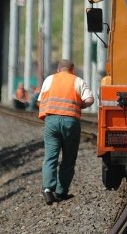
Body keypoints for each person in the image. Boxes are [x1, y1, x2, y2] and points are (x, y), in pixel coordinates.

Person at [38, 59, 94, 205]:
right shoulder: (78, 80)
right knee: (68, 159)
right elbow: (90, 99)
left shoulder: (49, 79)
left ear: (58, 69)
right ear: (72, 70)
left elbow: (40, 100)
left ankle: (47, 190)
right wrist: (80, 105)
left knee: (50, 157)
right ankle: (61, 192)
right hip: (71, 122)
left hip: (51, 121)